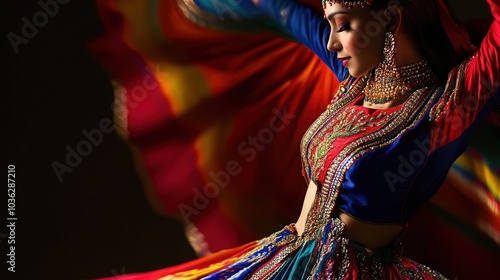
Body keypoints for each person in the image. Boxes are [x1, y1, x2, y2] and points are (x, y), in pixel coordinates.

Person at [98, 0, 500, 278]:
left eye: (342, 25)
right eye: (328, 25)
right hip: (285, 260)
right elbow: (282, 10)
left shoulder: (448, 104)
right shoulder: (355, 86)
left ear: (390, 20)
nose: (330, 42)